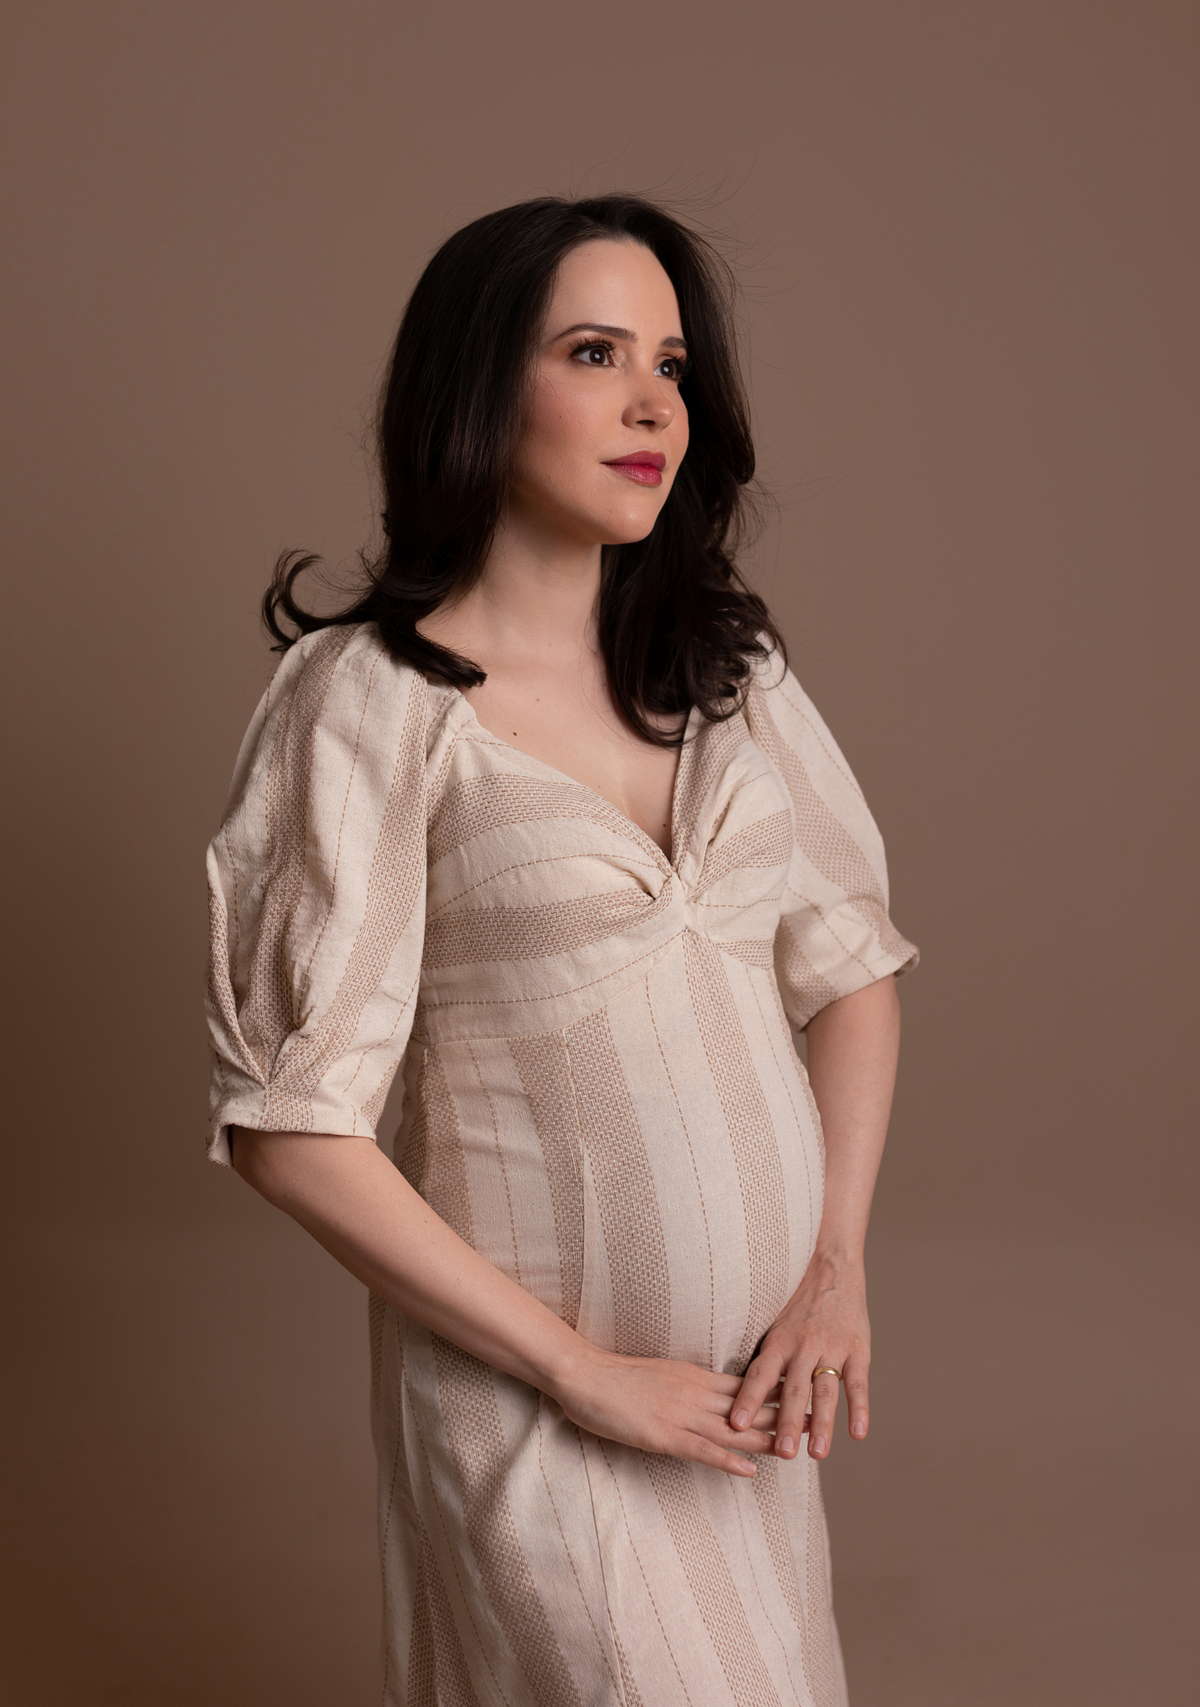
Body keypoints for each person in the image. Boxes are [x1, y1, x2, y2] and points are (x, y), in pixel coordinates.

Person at [205, 193, 917, 1707]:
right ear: (477, 387)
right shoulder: (371, 702)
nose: (653, 403)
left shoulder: (725, 669)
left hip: (752, 1412)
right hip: (538, 1411)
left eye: (671, 363)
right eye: (596, 353)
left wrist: (835, 1269)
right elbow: (292, 1129)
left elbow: (851, 968)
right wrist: (580, 1372)